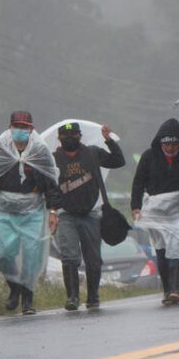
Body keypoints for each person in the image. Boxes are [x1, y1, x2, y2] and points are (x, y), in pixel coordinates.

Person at [0, 111, 61, 315]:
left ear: (31, 129)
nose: (21, 131)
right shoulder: (0, 149)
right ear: (10, 127)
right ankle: (14, 287)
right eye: (17, 127)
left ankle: (27, 300)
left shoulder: (40, 151)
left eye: (25, 128)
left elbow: (51, 183)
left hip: (32, 211)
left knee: (32, 255)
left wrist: (53, 211)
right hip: (5, 210)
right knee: (3, 254)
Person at [53, 121, 126, 311]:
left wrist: (109, 140)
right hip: (66, 214)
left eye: (74, 135)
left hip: (91, 213)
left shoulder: (92, 153)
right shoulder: (53, 158)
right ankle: (73, 297)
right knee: (69, 257)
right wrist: (51, 210)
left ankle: (93, 296)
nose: (70, 139)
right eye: (66, 136)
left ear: (80, 136)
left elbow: (118, 161)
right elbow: (45, 183)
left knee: (93, 259)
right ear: (59, 139)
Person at [131, 119, 179, 305]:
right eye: (166, 144)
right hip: (155, 209)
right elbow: (138, 182)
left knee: (175, 246)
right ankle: (167, 289)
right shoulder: (148, 157)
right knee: (160, 249)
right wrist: (135, 205)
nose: (170, 148)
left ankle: (175, 289)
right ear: (160, 142)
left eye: (174, 144)